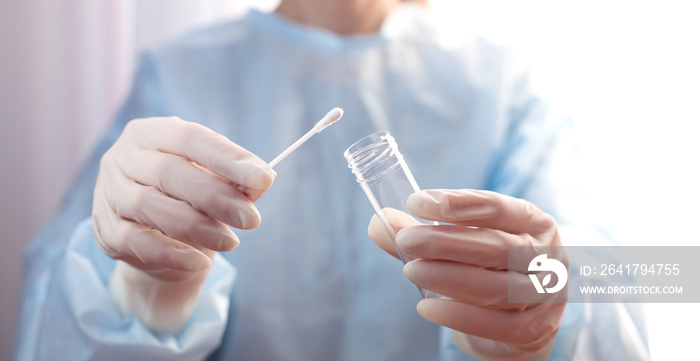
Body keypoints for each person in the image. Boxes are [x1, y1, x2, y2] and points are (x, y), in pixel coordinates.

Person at [15, 0, 650, 360]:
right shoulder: (181, 75)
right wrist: (140, 292)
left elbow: (630, 276)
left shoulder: (504, 82)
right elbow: (46, 319)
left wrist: (546, 306)